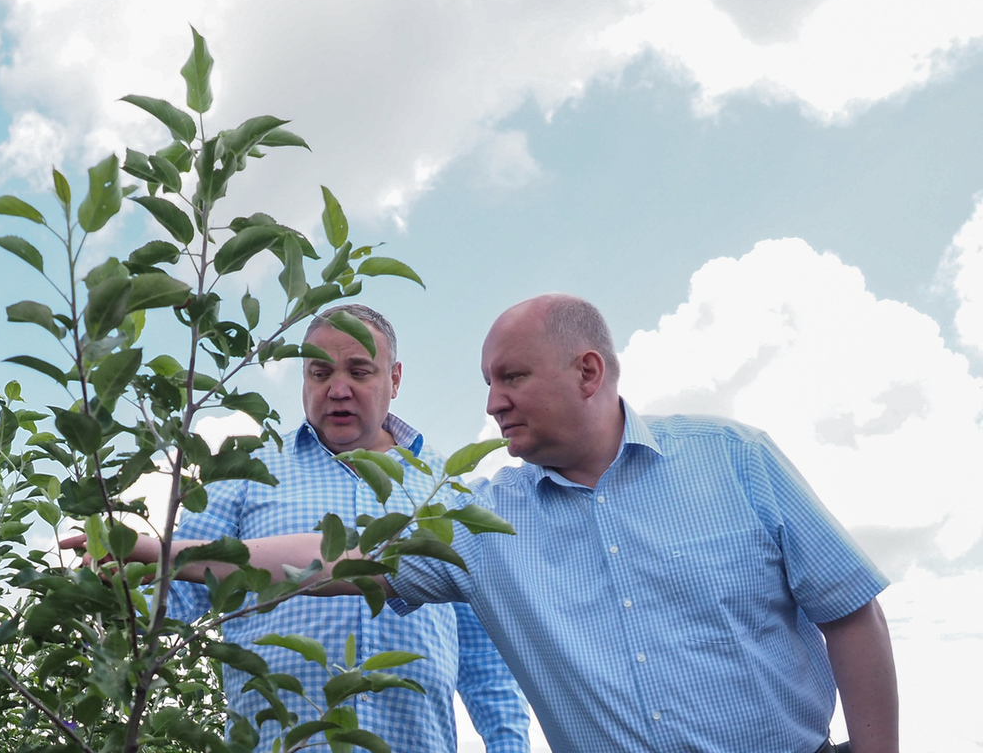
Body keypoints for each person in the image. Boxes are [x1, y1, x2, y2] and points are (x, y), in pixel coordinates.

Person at [69, 295, 899, 753]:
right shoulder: (479, 518)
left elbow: (849, 607)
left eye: (510, 378)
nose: (492, 402)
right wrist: (163, 551)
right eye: (486, 381)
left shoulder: (732, 460)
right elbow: (332, 559)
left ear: (588, 371)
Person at [164, 304, 530, 753]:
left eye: (359, 372)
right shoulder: (249, 472)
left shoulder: (444, 487)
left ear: (394, 379)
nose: (338, 390)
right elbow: (174, 592)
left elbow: (482, 656)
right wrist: (109, 577)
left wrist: (508, 743)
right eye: (320, 373)